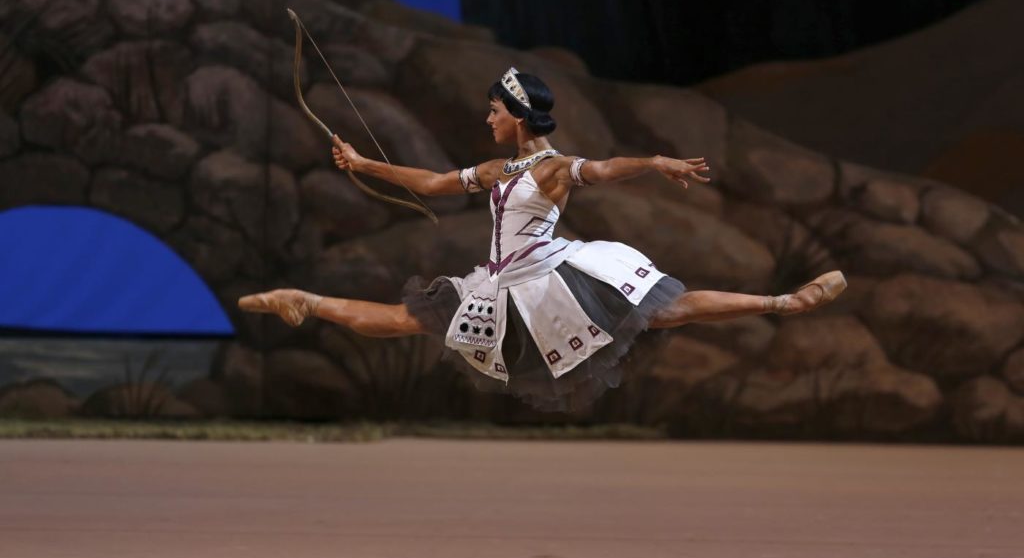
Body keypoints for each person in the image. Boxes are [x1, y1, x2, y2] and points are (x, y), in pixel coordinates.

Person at [240, 67, 846, 412]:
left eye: (494, 111)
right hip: (503, 285)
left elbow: (605, 170)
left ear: (518, 113)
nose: (488, 119)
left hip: (551, 278)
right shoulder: (499, 170)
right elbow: (429, 181)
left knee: (666, 310)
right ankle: (306, 300)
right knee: (408, 319)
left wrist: (655, 160)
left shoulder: (555, 166)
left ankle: (783, 303)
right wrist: (366, 165)